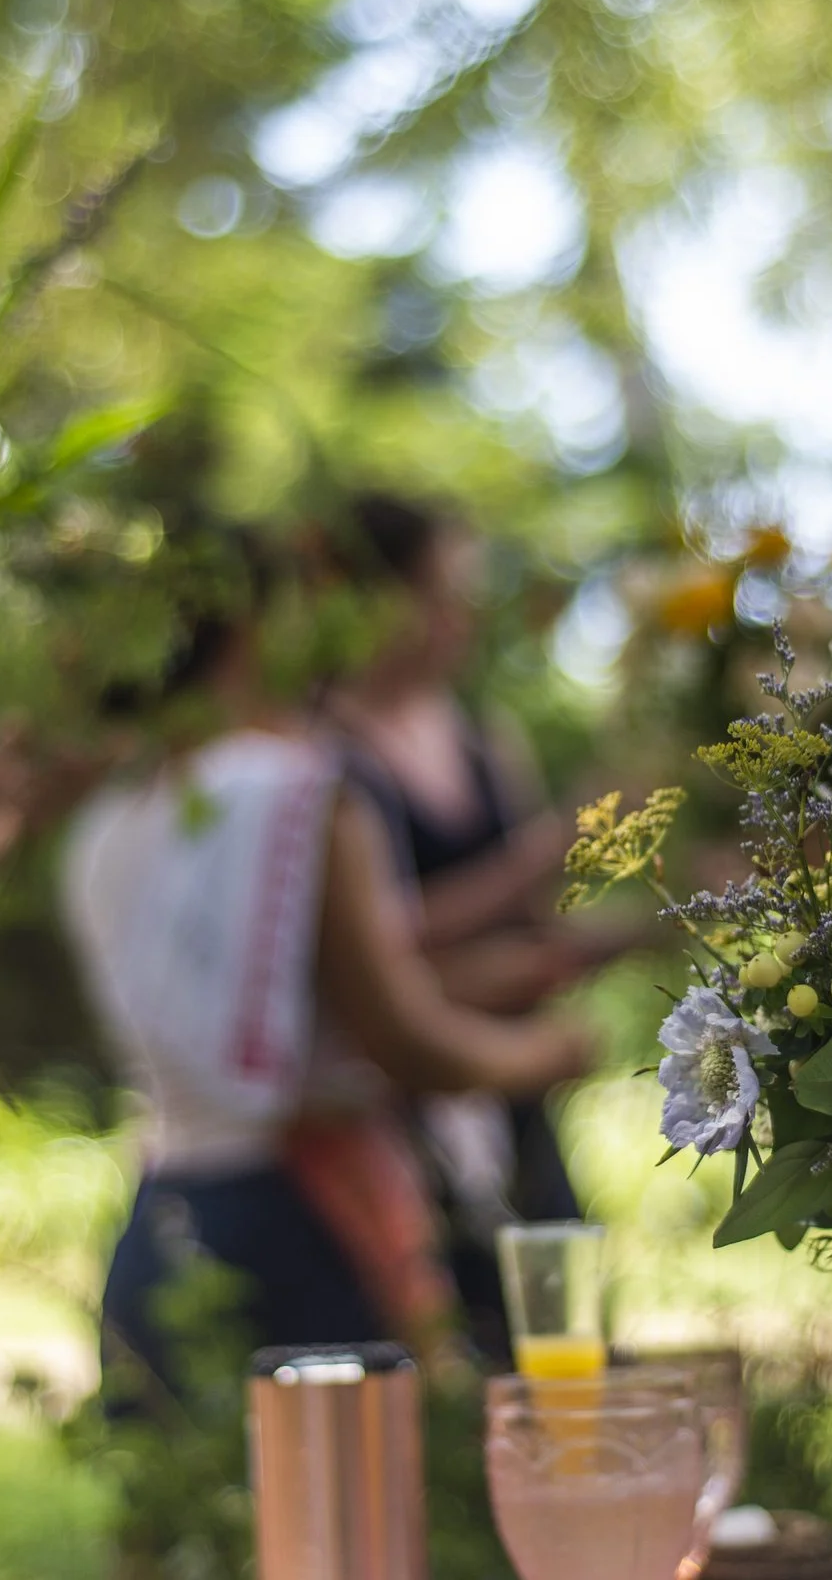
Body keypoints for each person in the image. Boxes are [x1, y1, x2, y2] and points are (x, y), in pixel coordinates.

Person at [56, 528, 595, 1389]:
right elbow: (401, 1037)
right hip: (305, 1226)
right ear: (249, 628)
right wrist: (550, 1052)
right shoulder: (302, 795)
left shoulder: (111, 817)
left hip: (163, 1216)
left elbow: (306, 1004)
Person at [325, 494, 605, 1359]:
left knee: (561, 1344)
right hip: (395, 1113)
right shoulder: (323, 759)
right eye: (441, 595)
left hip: (513, 1096)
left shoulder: (485, 739)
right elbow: (370, 940)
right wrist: (547, 850)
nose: (461, 620)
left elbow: (540, 924)